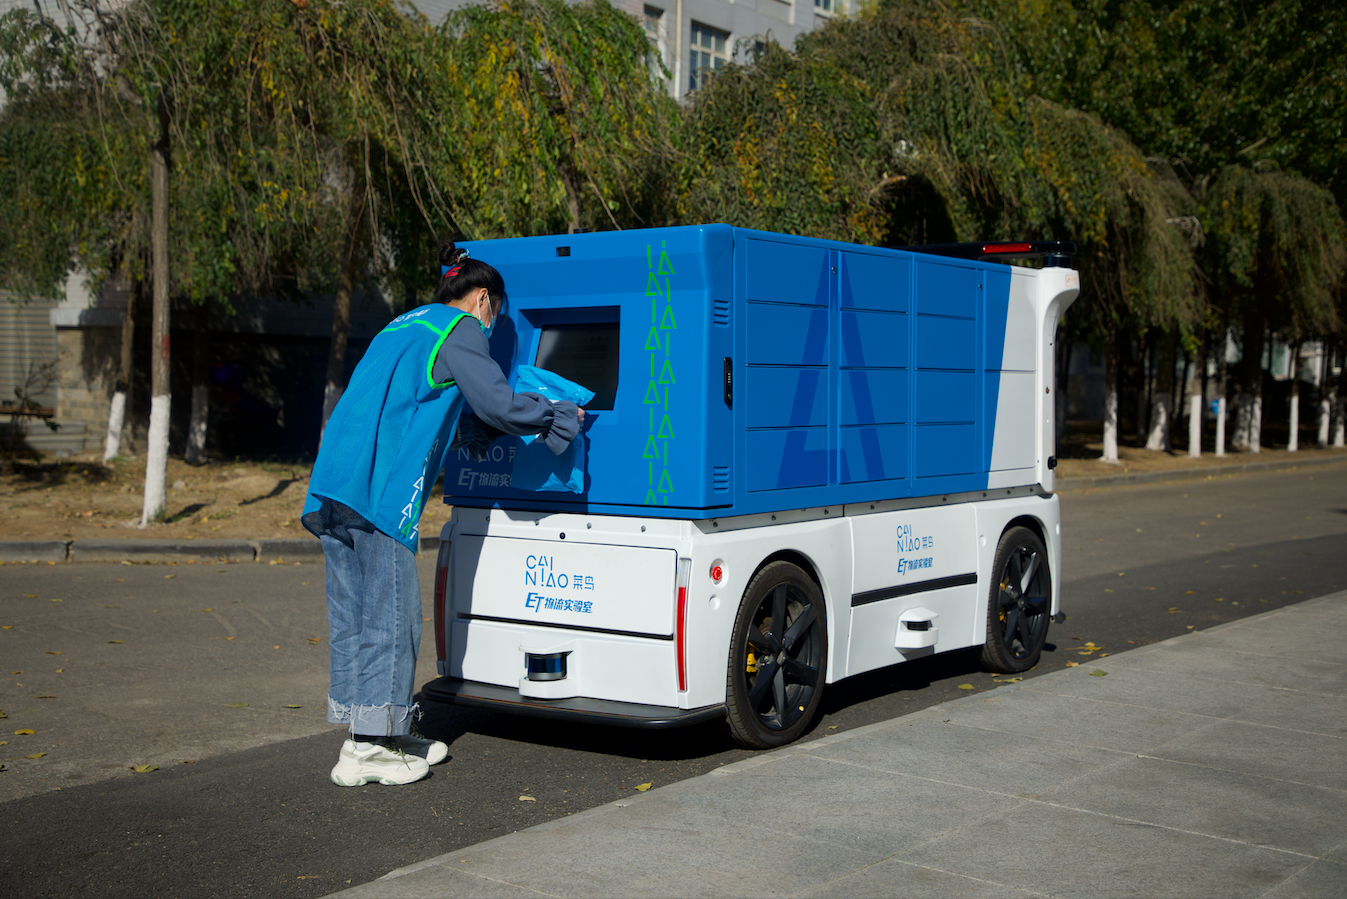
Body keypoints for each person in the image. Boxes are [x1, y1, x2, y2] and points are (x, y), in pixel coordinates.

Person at [302, 241, 584, 787]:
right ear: (482, 298)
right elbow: (499, 401)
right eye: (495, 314)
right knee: (393, 616)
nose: (492, 326)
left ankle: (381, 729)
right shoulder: (459, 331)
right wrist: (556, 415)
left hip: (334, 484)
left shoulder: (404, 325)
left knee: (358, 615)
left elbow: (420, 402)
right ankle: (366, 751)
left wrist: (473, 434)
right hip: (378, 492)